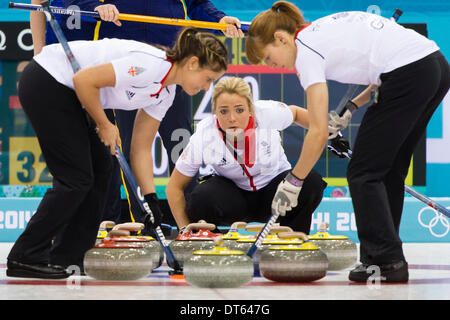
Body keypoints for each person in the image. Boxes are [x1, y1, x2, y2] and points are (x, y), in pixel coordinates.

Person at [245, 1, 450, 283]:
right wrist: (352, 106)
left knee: (363, 172)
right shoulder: (316, 32)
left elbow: (317, 133)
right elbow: (383, 64)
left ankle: (385, 260)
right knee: (387, 170)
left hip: (409, 73)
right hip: (433, 66)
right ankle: (382, 258)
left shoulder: (306, 50)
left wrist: (294, 182)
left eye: (268, 58)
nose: (272, 66)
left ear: (281, 38)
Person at [7, 27, 228, 279]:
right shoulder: (150, 65)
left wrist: (150, 199)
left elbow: (141, 148)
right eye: (208, 78)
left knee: (102, 170)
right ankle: (25, 254)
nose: (206, 87)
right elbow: (83, 80)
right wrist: (105, 124)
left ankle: (69, 257)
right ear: (192, 63)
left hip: (72, 95)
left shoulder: (166, 92)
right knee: (75, 179)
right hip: (49, 82)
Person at [75, 0, 244, 225]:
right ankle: (143, 224)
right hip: (127, 69)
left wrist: (218, 19)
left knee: (181, 148)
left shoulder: (187, 70)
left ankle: (193, 224)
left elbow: (195, 3)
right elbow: (76, 4)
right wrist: (96, 6)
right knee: (130, 147)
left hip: (174, 65)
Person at [166, 77, 327, 234]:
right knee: (201, 198)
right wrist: (184, 230)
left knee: (309, 182)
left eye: (239, 110)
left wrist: (327, 129)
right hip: (234, 199)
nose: (232, 118)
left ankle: (292, 241)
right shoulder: (204, 135)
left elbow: (297, 113)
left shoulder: (268, 113)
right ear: (215, 111)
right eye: (223, 111)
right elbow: (174, 187)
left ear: (250, 109)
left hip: (277, 194)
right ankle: (210, 245)